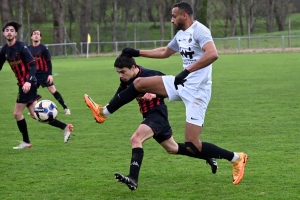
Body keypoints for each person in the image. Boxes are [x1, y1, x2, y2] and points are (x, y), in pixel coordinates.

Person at [84, 2, 248, 185]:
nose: (171, 20)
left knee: (193, 145)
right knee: (139, 83)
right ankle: (103, 112)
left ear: (184, 15)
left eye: (173, 16)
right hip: (181, 84)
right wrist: (137, 52)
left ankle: (236, 158)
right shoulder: (180, 35)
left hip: (198, 92)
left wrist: (186, 71)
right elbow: (164, 52)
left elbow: (212, 54)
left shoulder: (200, 31)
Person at [84, 54, 218, 191]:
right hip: (149, 116)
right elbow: (118, 99)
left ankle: (133, 178)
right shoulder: (126, 80)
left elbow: (174, 88)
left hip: (157, 113)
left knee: (136, 139)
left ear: (133, 67)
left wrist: (154, 94)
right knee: (172, 148)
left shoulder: (150, 74)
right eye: (118, 72)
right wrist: (104, 112)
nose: (121, 76)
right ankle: (207, 155)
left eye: (123, 72)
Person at [0, 22, 73, 149]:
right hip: (23, 84)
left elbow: (33, 64)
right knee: (35, 114)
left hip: (28, 83)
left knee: (17, 113)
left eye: (12, 30)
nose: (9, 32)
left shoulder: (21, 46)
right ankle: (65, 127)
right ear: (3, 33)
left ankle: (26, 141)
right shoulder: (4, 50)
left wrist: (28, 81)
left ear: (16, 33)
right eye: (7, 30)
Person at [28, 30, 71, 115]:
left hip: (43, 73)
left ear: (40, 37)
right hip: (33, 73)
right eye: (34, 34)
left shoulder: (44, 48)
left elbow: (48, 62)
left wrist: (50, 74)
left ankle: (66, 108)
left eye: (38, 34)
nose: (36, 35)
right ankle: (34, 109)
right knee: (31, 91)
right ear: (31, 37)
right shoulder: (28, 48)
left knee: (52, 90)